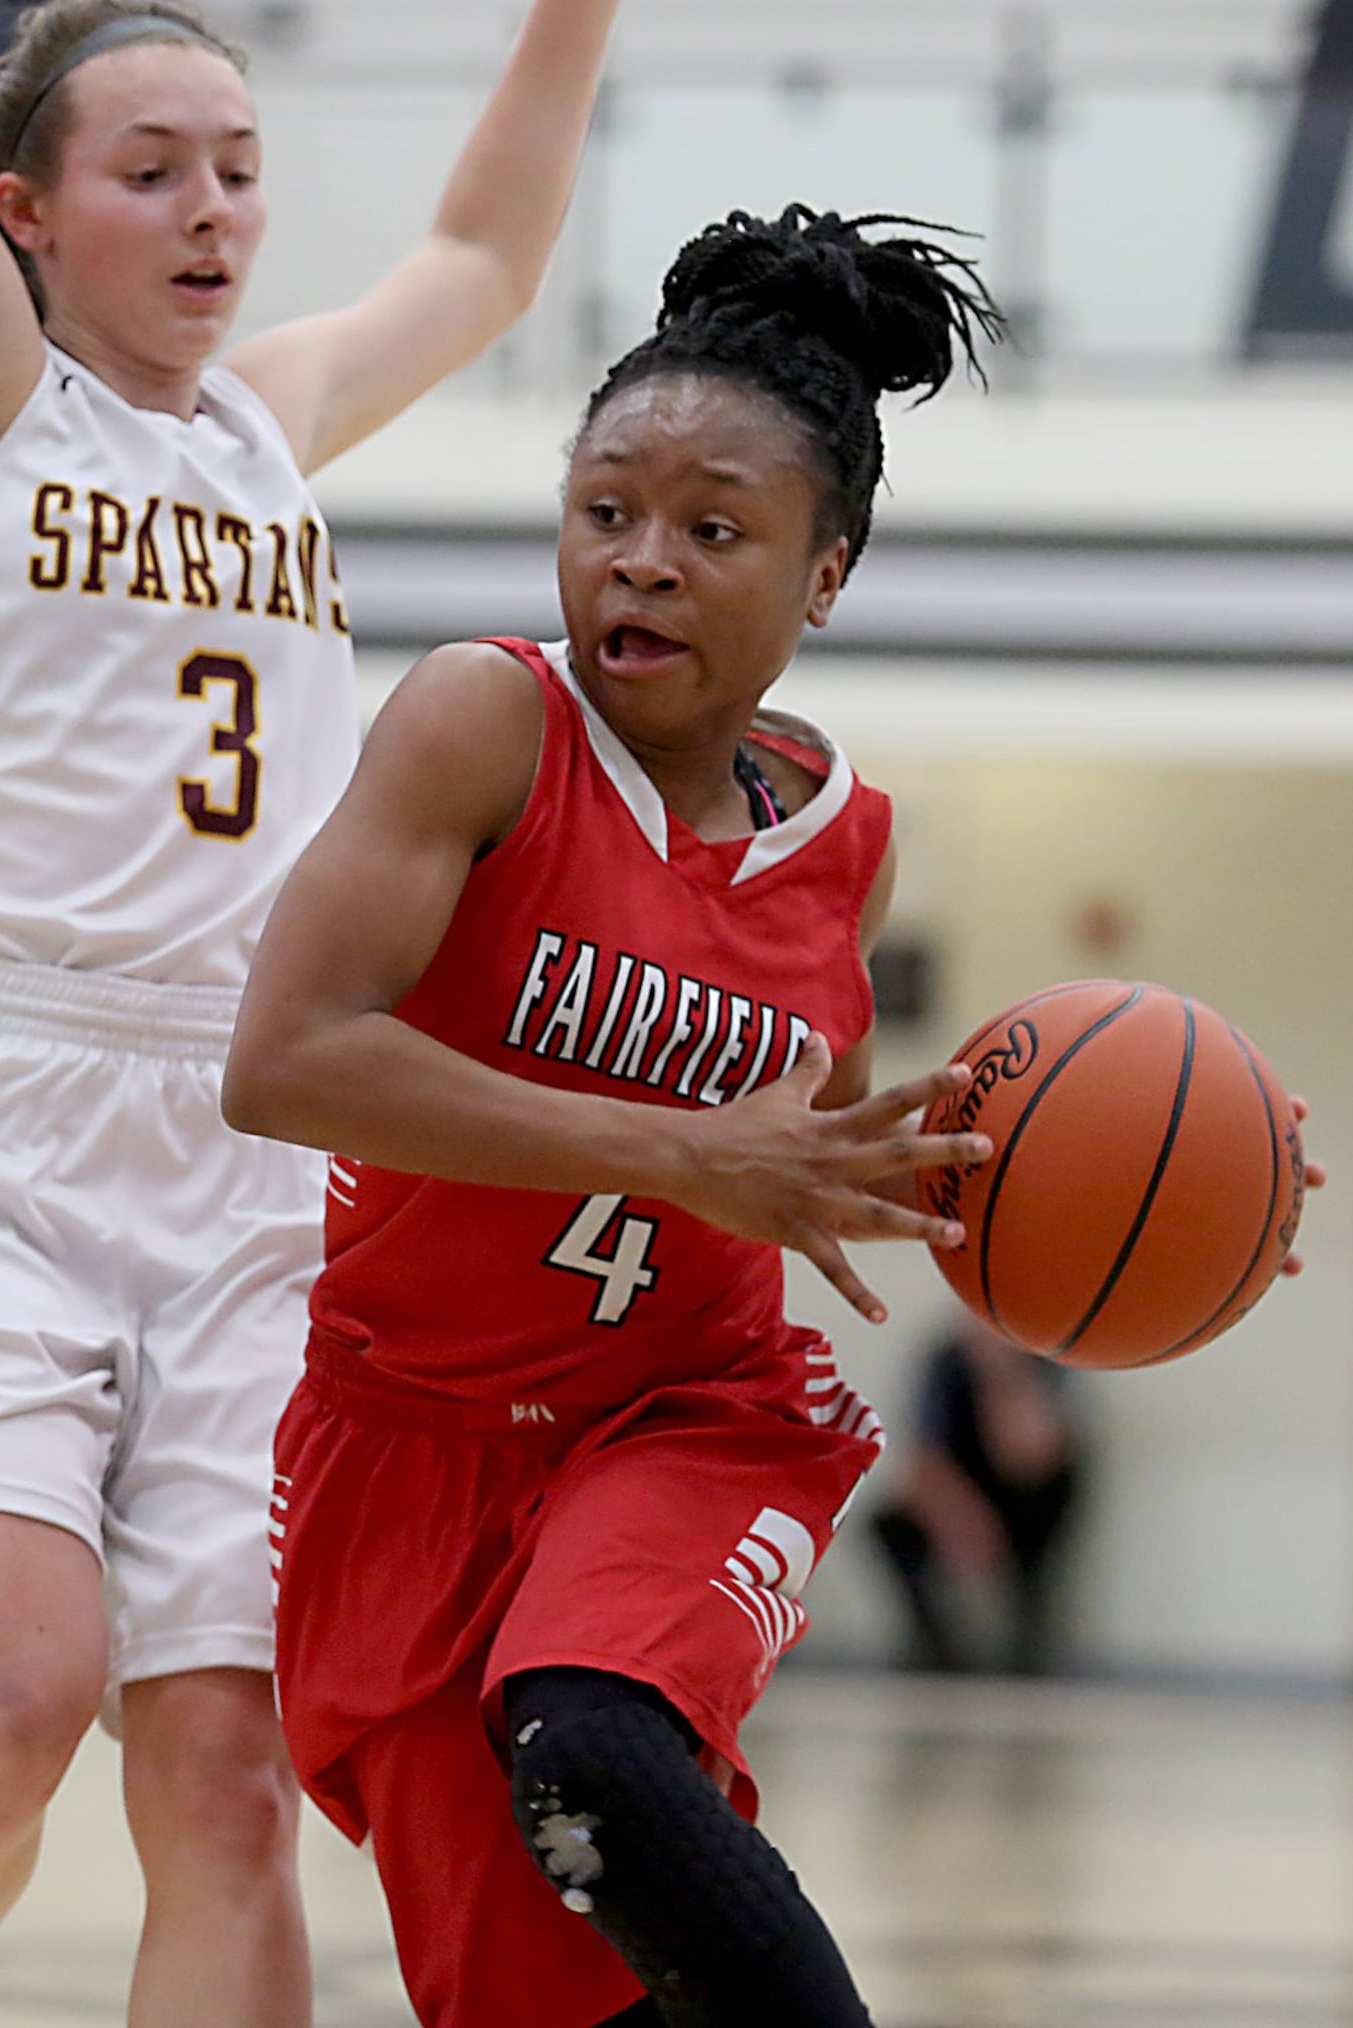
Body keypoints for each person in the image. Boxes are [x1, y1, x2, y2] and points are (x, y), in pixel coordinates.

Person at [0, 3, 623, 2025]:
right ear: (22, 218)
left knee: (231, 1778)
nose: (213, 208)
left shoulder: (266, 416)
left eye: (238, 163)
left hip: (249, 1146)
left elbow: (482, 262)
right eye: (150, 171)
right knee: (14, 1712)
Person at [222, 206, 1006, 2028]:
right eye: (606, 516)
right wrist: (679, 1150)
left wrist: (1124, 1159)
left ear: (826, 574)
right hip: (401, 1445)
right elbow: (283, 1057)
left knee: (592, 1745)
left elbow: (832, 1146)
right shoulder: (484, 720)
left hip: (686, 1411)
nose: (641, 565)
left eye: (713, 530)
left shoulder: (847, 838)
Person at [868, 1312, 1088, 1676]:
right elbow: (923, 1461)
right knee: (888, 1524)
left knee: (1045, 1507)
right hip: (962, 1492)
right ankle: (937, 1647)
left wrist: (1002, 1375)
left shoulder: (1054, 1359)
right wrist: (961, 1519)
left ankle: (1029, 1646)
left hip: (1027, 1495)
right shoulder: (945, 1363)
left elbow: (1028, 1458)